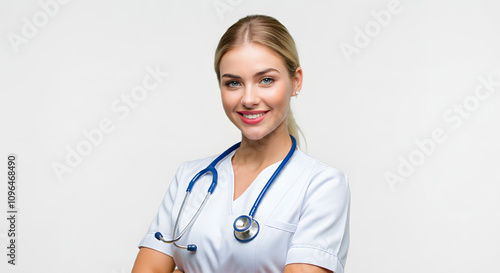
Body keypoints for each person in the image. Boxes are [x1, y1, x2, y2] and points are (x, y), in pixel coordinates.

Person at [132, 14, 350, 273]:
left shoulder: (323, 186)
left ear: (296, 81)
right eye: (233, 83)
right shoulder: (190, 178)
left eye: (266, 80)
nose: (248, 99)